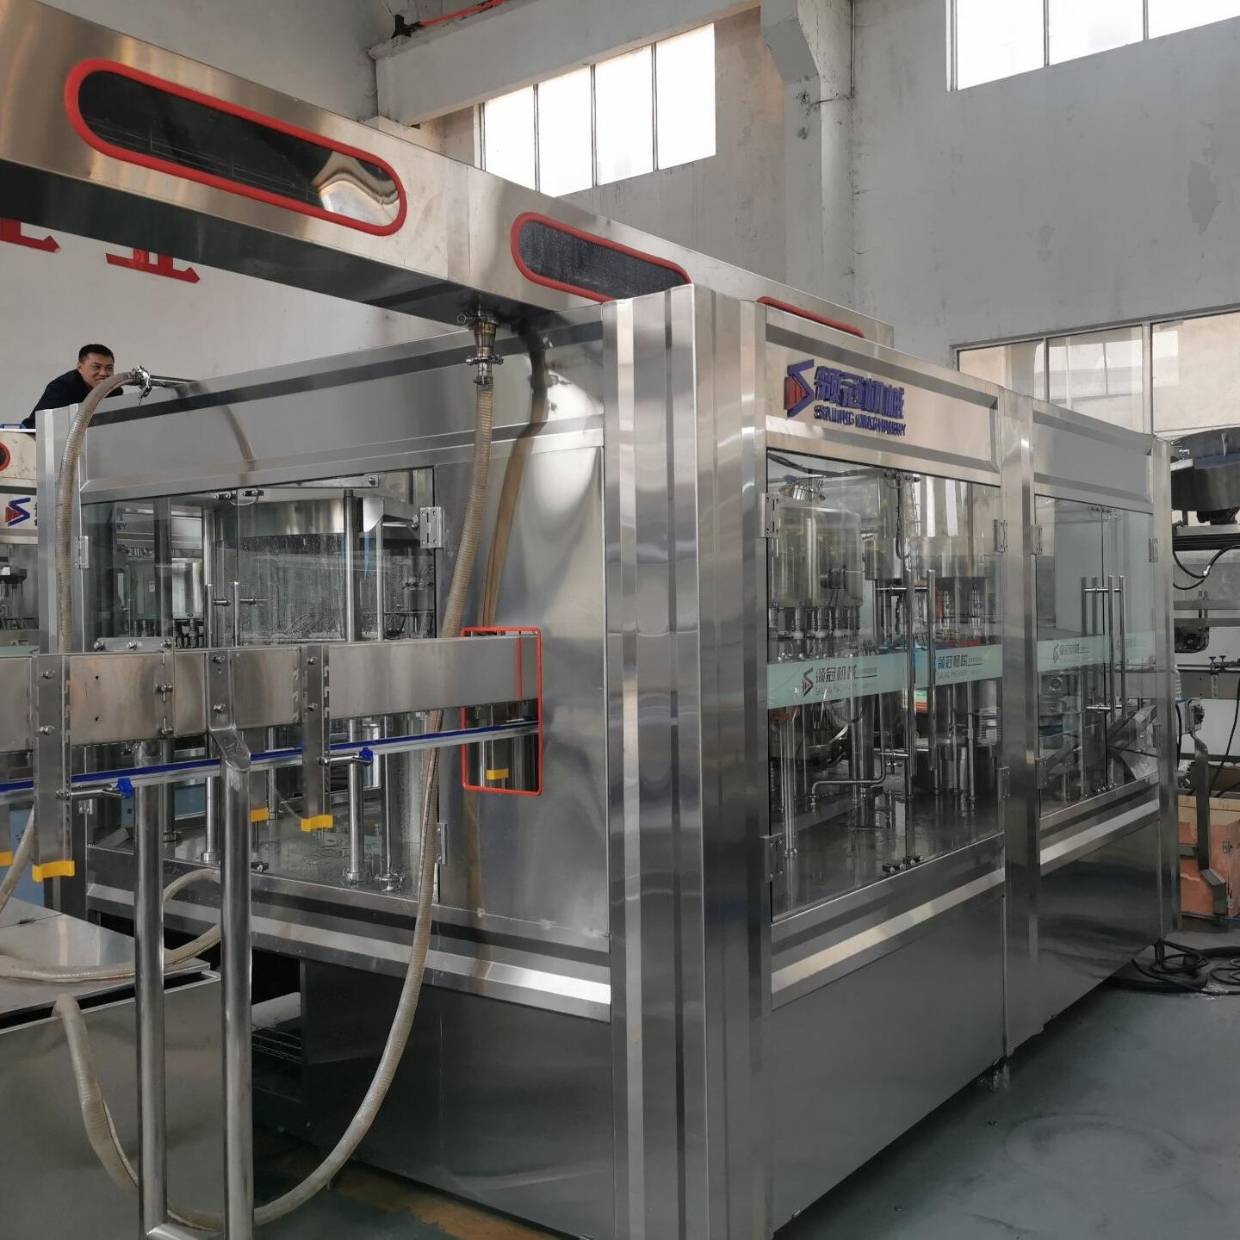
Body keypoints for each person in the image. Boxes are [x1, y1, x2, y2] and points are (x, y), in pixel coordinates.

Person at [22, 344, 123, 428]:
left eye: (109, 368)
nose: (103, 373)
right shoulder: (61, 388)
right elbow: (36, 425)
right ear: (80, 367)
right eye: (96, 367)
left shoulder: (114, 390)